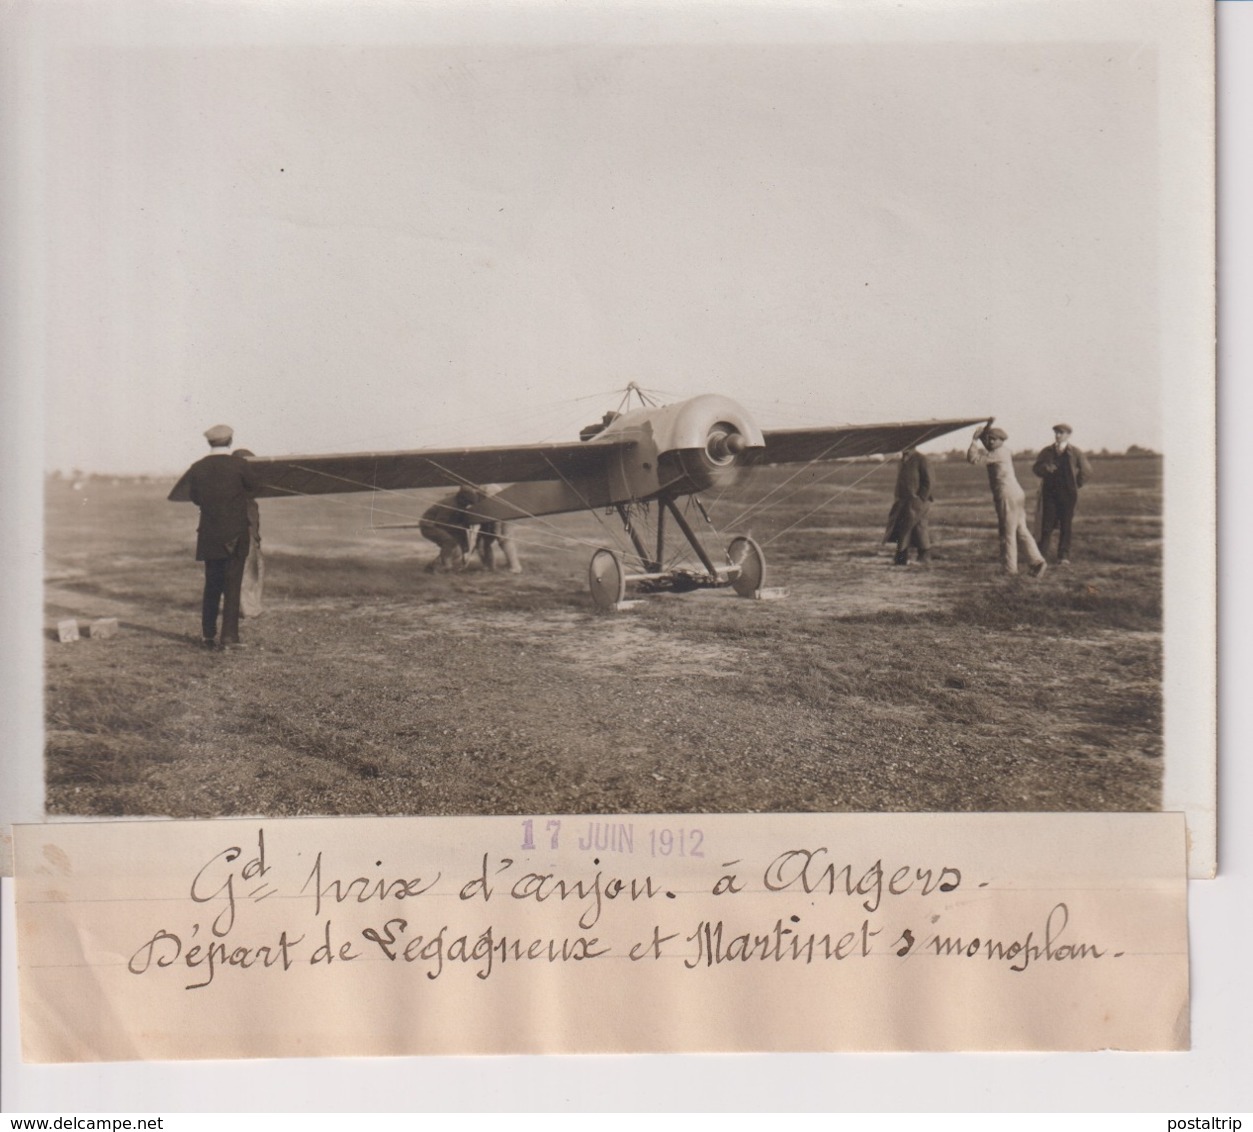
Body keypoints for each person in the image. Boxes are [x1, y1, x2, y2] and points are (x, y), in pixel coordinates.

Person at [183, 425, 258, 648]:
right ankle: (229, 637)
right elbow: (254, 488)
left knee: (212, 585)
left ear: (209, 443)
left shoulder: (197, 468)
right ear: (231, 440)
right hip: (235, 535)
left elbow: (195, 498)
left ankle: (207, 635)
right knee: (233, 586)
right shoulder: (240, 465)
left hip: (209, 535)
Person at [966, 423, 1047, 578]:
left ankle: (1009, 570)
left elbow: (973, 459)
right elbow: (988, 447)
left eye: (993, 440)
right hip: (1015, 494)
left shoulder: (998, 453)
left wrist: (974, 440)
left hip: (1007, 495)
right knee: (1020, 530)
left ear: (1001, 440)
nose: (990, 442)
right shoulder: (1003, 450)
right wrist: (983, 435)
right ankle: (1037, 562)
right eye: (988, 439)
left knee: (1007, 533)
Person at [1032, 423, 1093, 565]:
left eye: (1061, 433)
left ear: (1068, 435)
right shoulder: (1047, 451)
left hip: (1068, 494)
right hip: (1050, 493)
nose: (1058, 435)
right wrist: (1045, 469)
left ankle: (1063, 556)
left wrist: (1076, 484)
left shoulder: (1075, 452)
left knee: (1066, 525)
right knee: (1046, 525)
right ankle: (1040, 556)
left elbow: (1087, 470)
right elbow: (1036, 468)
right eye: (1056, 432)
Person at [883, 446, 933, 565]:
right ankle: (916, 557)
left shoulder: (921, 459)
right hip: (904, 500)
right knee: (913, 527)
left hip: (918, 501)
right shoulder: (902, 461)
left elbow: (929, 481)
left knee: (909, 528)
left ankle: (905, 557)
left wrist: (921, 497)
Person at [233, 449, 265, 617]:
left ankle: (253, 607)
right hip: (245, 536)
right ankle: (249, 610)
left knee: (257, 568)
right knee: (248, 571)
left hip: (252, 536)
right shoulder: (237, 493)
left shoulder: (247, 494)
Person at [419, 486, 480, 572]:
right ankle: (446, 565)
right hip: (429, 526)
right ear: (461, 498)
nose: (467, 505)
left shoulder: (458, 502)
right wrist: (457, 526)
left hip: (441, 525)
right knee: (449, 541)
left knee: (457, 549)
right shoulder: (449, 505)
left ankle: (433, 566)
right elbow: (441, 523)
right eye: (467, 503)